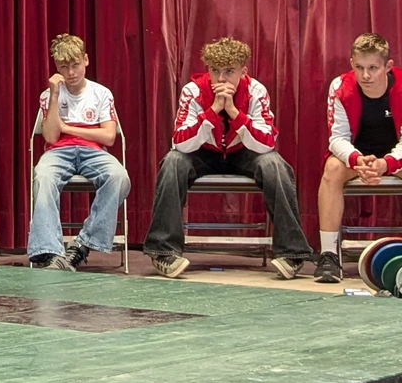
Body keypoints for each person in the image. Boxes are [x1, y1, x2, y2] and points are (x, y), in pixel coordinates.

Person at [143, 37, 312, 279]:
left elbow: (266, 143)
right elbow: (180, 142)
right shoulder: (192, 91)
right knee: (173, 162)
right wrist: (212, 112)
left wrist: (233, 111)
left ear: (243, 71)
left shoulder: (256, 91)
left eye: (229, 72)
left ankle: (291, 253)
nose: (221, 79)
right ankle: (163, 251)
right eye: (215, 71)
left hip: (243, 152)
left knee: (274, 164)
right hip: (203, 153)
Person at [28, 34, 130, 270]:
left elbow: (109, 137)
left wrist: (68, 128)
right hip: (58, 151)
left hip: (93, 152)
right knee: (43, 177)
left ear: (86, 60)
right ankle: (51, 253)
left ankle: (82, 245)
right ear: (57, 67)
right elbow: (51, 137)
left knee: (119, 177)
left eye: (75, 65)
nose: (71, 72)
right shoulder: (48, 95)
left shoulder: (101, 93)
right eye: (64, 67)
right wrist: (54, 95)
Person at [314, 33, 402, 283]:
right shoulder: (340, 87)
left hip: (395, 155)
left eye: (373, 68)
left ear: (388, 66)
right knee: (332, 169)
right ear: (352, 63)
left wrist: (386, 163)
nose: (365, 75)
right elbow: (337, 138)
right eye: (359, 67)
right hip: (358, 156)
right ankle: (329, 255)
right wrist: (357, 160)